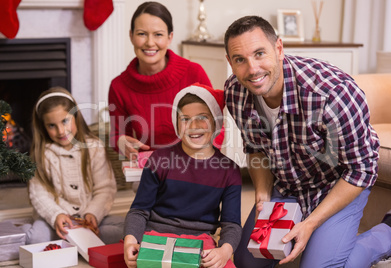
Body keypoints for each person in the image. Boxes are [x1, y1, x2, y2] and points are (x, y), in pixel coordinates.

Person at [223, 15, 391, 267]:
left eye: (260, 53)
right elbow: (255, 148)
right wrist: (263, 196)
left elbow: (361, 170)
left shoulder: (332, 93)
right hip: (287, 182)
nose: (252, 69)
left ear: (279, 48)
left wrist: (311, 223)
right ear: (230, 62)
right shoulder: (235, 92)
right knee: (247, 261)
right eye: (240, 60)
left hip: (337, 181)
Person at [123, 84, 242, 268]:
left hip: (202, 244)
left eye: (203, 118)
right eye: (185, 119)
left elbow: (231, 224)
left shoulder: (229, 170)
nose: (194, 126)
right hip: (156, 238)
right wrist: (130, 241)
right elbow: (139, 210)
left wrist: (224, 251)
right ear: (177, 124)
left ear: (216, 122)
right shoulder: (159, 160)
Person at [108, 1, 215, 160]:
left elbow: (218, 125)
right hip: (152, 169)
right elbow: (118, 135)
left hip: (196, 164)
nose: (150, 42)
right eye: (141, 34)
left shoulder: (194, 73)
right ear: (131, 36)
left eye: (158, 34)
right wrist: (121, 142)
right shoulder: (119, 86)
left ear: (169, 37)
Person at [23, 87, 124, 245]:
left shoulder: (94, 147)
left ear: (76, 116)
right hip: (57, 222)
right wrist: (57, 215)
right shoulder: (41, 154)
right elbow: (39, 194)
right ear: (43, 127)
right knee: (36, 238)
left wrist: (93, 214)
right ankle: (75, 242)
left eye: (65, 121)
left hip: (87, 219)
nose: (61, 131)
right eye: (51, 125)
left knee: (124, 229)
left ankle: (73, 243)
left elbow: (105, 189)